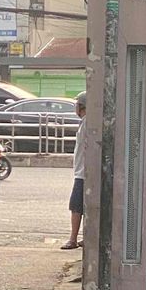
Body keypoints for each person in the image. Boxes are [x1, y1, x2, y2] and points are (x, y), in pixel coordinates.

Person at [61, 91, 87, 250]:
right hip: (82, 171)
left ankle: (73, 239)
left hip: (83, 173)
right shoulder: (85, 122)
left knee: (76, 206)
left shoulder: (87, 123)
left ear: (81, 107)